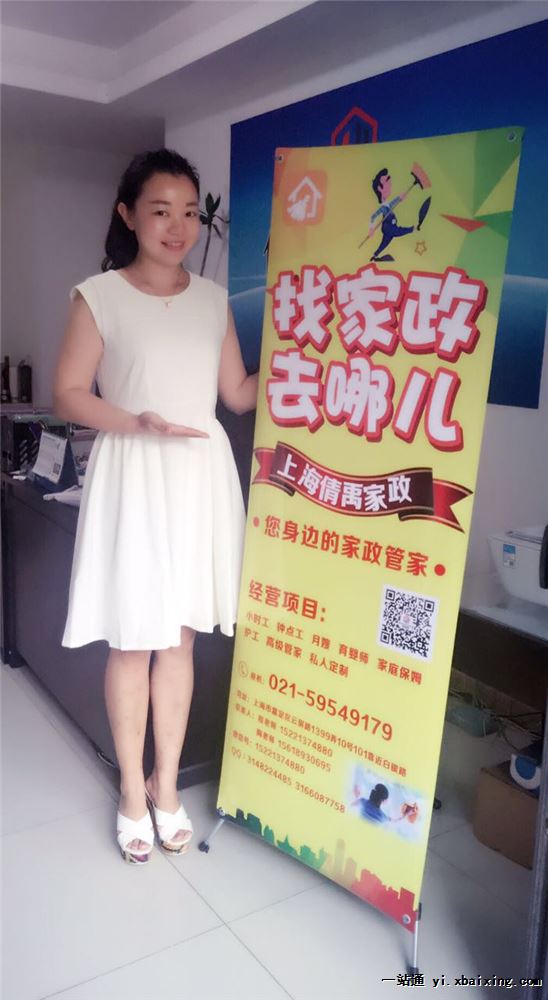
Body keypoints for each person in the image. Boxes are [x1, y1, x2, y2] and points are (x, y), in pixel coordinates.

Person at [53, 149, 258, 864]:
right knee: (132, 638)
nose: (179, 227)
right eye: (161, 211)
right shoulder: (98, 295)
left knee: (180, 639)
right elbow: (68, 393)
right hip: (136, 471)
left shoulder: (212, 300)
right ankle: (131, 794)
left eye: (190, 213)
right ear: (129, 215)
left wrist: (303, 355)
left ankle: (165, 785)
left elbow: (236, 395)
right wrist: (134, 420)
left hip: (199, 477)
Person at [368, 168, 414, 262]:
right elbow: (373, 217)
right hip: (388, 227)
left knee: (385, 243)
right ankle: (411, 229)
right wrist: (371, 229)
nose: (390, 186)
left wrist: (400, 197)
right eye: (388, 183)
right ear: (380, 188)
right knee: (397, 231)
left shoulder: (388, 205)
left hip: (391, 226)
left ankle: (375, 255)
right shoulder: (383, 207)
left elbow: (395, 202)